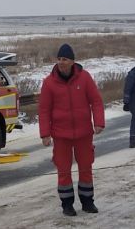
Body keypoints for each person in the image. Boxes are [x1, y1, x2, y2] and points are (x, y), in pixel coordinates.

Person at [38, 43, 105, 216]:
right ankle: (67, 204)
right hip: (61, 135)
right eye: (59, 59)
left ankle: (88, 202)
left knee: (85, 168)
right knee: (63, 171)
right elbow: (44, 110)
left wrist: (99, 122)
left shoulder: (85, 78)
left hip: (83, 133)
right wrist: (45, 134)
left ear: (73, 61)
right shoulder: (49, 83)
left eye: (65, 59)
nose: (61, 62)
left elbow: (96, 101)